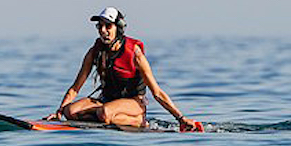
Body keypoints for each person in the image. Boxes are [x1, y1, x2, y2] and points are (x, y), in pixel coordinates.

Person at [46, 7, 201, 131]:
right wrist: (59, 112)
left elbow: (157, 92)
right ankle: (103, 116)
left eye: (108, 26)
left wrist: (181, 118)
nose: (103, 30)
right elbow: (75, 88)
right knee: (70, 111)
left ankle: (138, 121)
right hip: (107, 101)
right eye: (100, 26)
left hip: (133, 102)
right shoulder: (94, 52)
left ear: (118, 28)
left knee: (104, 113)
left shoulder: (135, 53)